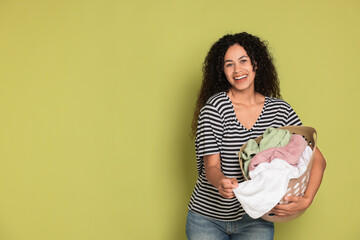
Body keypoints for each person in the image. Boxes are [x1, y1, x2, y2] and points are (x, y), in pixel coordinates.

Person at [186, 32, 326, 240]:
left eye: (243, 61)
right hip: (207, 219)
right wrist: (221, 182)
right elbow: (211, 166)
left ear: (256, 64)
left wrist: (307, 200)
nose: (237, 70)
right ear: (221, 71)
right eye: (229, 64)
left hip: (257, 220)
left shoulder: (280, 111)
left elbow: (318, 159)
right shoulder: (215, 108)